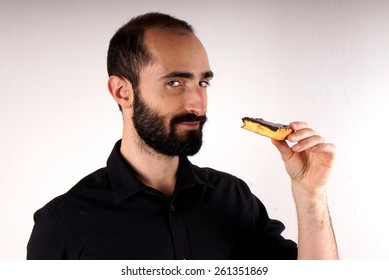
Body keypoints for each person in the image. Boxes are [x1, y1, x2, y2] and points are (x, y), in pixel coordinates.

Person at [27, 12, 338, 260]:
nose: (197, 104)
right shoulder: (63, 225)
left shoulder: (234, 199)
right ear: (122, 91)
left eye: (203, 83)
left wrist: (310, 194)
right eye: (175, 83)